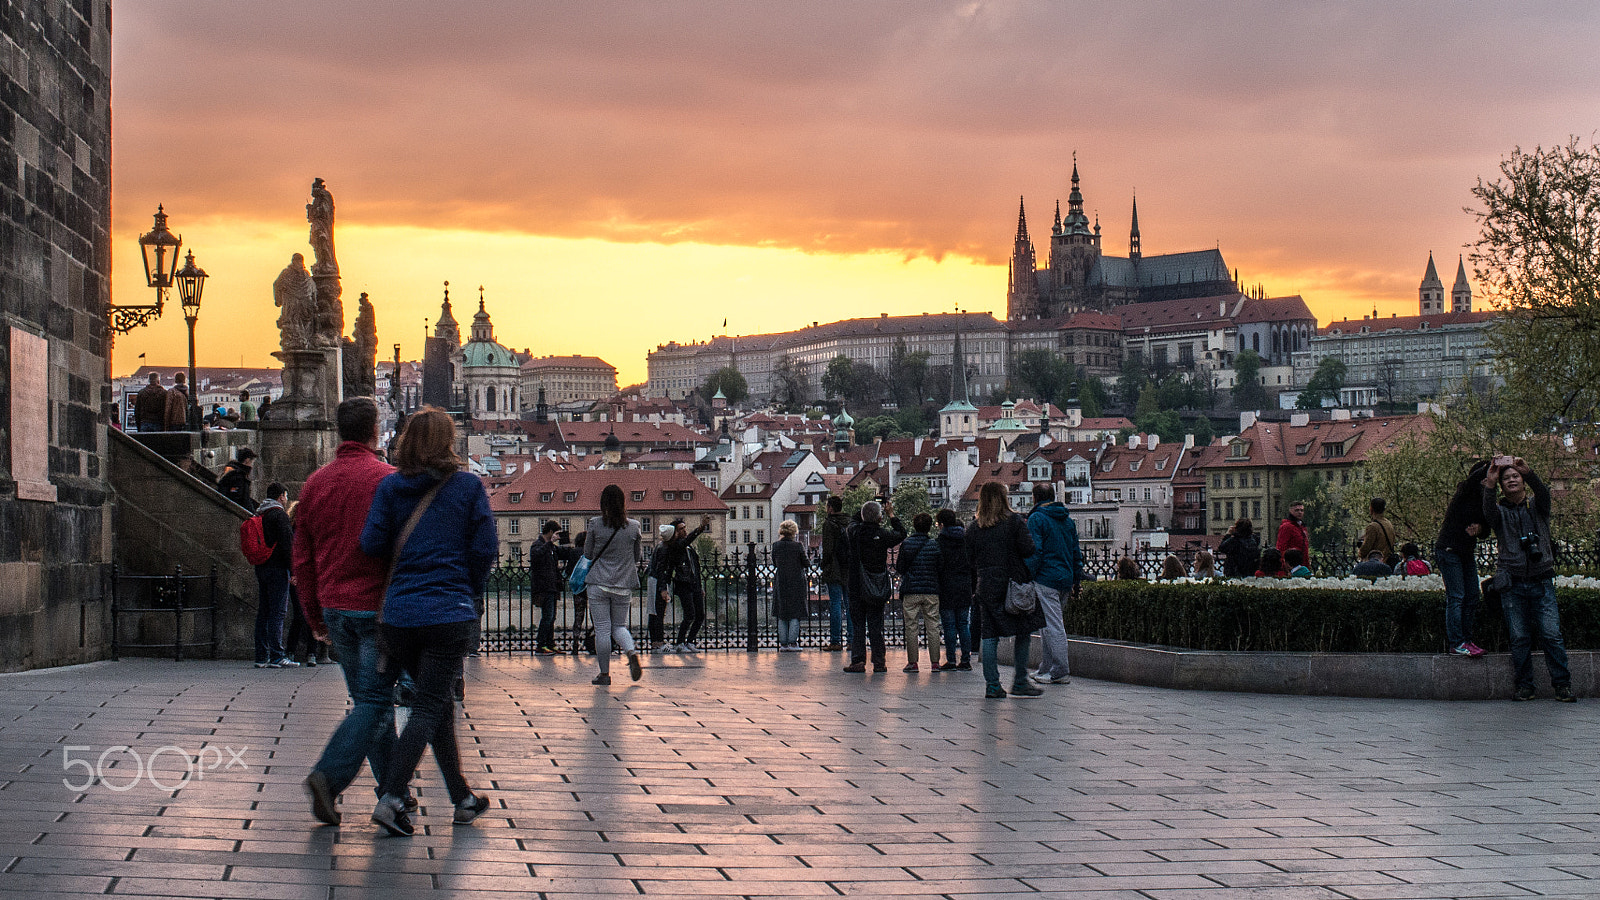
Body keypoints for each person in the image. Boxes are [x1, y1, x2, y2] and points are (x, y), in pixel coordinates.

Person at [361, 408, 497, 836]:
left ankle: (462, 798)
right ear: (449, 442)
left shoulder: (389, 487)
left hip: (400, 616)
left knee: (435, 705)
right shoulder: (468, 486)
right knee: (428, 705)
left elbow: (371, 543)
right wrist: (465, 589)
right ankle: (391, 796)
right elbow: (484, 550)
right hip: (447, 613)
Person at [293, 397, 401, 827]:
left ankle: (394, 794)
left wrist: (314, 615)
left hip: (334, 606)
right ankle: (329, 776)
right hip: (375, 608)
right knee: (374, 702)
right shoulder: (387, 480)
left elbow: (301, 559)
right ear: (375, 430)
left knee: (370, 704)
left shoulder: (315, 483)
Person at [1482, 457, 1572, 702]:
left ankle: (1563, 685)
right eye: (1506, 478)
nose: (1511, 480)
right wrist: (1489, 484)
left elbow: (1543, 492)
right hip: (1512, 581)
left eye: (1515, 476)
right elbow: (1488, 512)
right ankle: (1524, 686)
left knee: (1551, 634)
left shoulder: (1538, 507)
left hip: (1541, 579)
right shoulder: (1499, 513)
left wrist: (1529, 472)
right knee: (1519, 637)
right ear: (1501, 485)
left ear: (1522, 482)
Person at [966, 482, 1041, 699]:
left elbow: (969, 559)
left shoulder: (974, 528)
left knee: (989, 636)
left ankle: (992, 685)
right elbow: (1029, 549)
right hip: (1014, 583)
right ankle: (1020, 681)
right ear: (1004, 498)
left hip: (987, 585)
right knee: (1023, 630)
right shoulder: (1014, 522)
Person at [581, 484, 645, 686]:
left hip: (599, 582)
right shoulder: (634, 526)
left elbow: (588, 554)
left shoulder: (594, 524)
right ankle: (631, 652)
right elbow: (637, 557)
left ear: (603, 503)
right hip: (623, 584)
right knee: (619, 626)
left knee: (602, 629)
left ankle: (604, 674)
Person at [1026, 484, 1084, 687]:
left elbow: (1036, 550)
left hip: (1046, 578)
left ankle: (1059, 670)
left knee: (1053, 625)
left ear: (1035, 498)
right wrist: (1076, 579)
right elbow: (1076, 552)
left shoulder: (1036, 518)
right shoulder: (1067, 520)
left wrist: (1028, 574)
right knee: (1047, 625)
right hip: (1065, 578)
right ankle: (1046, 667)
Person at [842, 500, 906, 673]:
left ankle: (858, 661)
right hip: (875, 586)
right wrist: (891, 514)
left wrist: (865, 507)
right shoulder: (883, 534)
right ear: (879, 518)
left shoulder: (855, 531)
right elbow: (901, 533)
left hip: (856, 584)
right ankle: (879, 662)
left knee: (858, 625)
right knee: (876, 625)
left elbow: (854, 520)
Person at [1437, 461, 1491, 658]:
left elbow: (1487, 527)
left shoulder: (1487, 498)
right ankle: (1457, 642)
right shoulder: (1465, 491)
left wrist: (1480, 529)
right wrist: (1490, 466)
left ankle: (1467, 640)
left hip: (1465, 552)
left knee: (1472, 596)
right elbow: (1470, 482)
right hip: (1449, 549)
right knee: (1457, 596)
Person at [252, 482, 296, 669]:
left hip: (261, 566)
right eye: (285, 496)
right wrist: (293, 571)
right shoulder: (280, 516)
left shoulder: (260, 513)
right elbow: (287, 546)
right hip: (278, 568)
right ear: (281, 496)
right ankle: (277, 655)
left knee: (264, 611)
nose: (286, 500)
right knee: (278, 612)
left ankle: (261, 656)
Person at [894, 512, 942, 672]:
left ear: (914, 526)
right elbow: (940, 567)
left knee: (911, 626)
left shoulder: (907, 544)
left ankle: (913, 662)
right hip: (931, 590)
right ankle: (935, 662)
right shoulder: (934, 545)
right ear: (929, 527)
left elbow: (900, 567)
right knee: (933, 625)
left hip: (912, 589)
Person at [659, 516, 711, 652]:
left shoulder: (689, 548)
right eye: (681, 529)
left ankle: (690, 641)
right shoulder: (676, 546)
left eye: (684, 528)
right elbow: (685, 541)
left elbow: (695, 568)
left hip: (694, 584)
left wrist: (700, 587)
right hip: (683, 584)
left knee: (700, 615)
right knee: (689, 614)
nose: (684, 531)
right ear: (675, 532)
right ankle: (680, 643)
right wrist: (700, 528)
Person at [528, 521, 579, 654]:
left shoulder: (552, 548)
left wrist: (566, 542)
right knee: (547, 616)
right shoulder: (537, 545)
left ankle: (550, 644)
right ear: (550, 532)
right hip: (543, 586)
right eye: (556, 533)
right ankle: (541, 645)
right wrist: (550, 542)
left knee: (552, 616)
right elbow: (536, 556)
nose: (557, 536)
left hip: (552, 586)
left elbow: (566, 553)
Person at [933, 509, 973, 671]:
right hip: (964, 585)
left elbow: (937, 566)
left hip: (946, 587)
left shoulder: (939, 542)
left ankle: (950, 660)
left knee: (949, 625)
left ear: (941, 524)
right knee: (963, 625)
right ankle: (965, 660)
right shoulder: (966, 540)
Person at [817, 496, 852, 652]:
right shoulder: (850, 522)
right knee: (850, 606)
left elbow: (828, 548)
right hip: (849, 568)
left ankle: (836, 641)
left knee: (836, 604)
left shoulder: (829, 524)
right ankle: (852, 640)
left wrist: (824, 564)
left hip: (835, 568)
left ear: (830, 508)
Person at [772, 520, 808, 651]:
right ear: (794, 532)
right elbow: (806, 563)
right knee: (795, 612)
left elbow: (775, 563)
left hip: (781, 581)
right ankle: (793, 643)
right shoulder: (798, 546)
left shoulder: (776, 546)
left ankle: (783, 644)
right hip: (796, 581)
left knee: (782, 612)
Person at [1358, 497, 1399, 567]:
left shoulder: (1373, 526)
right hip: (1387, 562)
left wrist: (1360, 552)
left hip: (1374, 564)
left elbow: (1366, 547)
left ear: (1371, 509)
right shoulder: (1388, 523)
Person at [1276, 500, 1310, 568]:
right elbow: (1281, 547)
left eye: (1301, 510)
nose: (1300, 512)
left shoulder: (1302, 527)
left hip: (1302, 564)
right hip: (1292, 565)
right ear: (1291, 511)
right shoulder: (1286, 527)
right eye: (1297, 510)